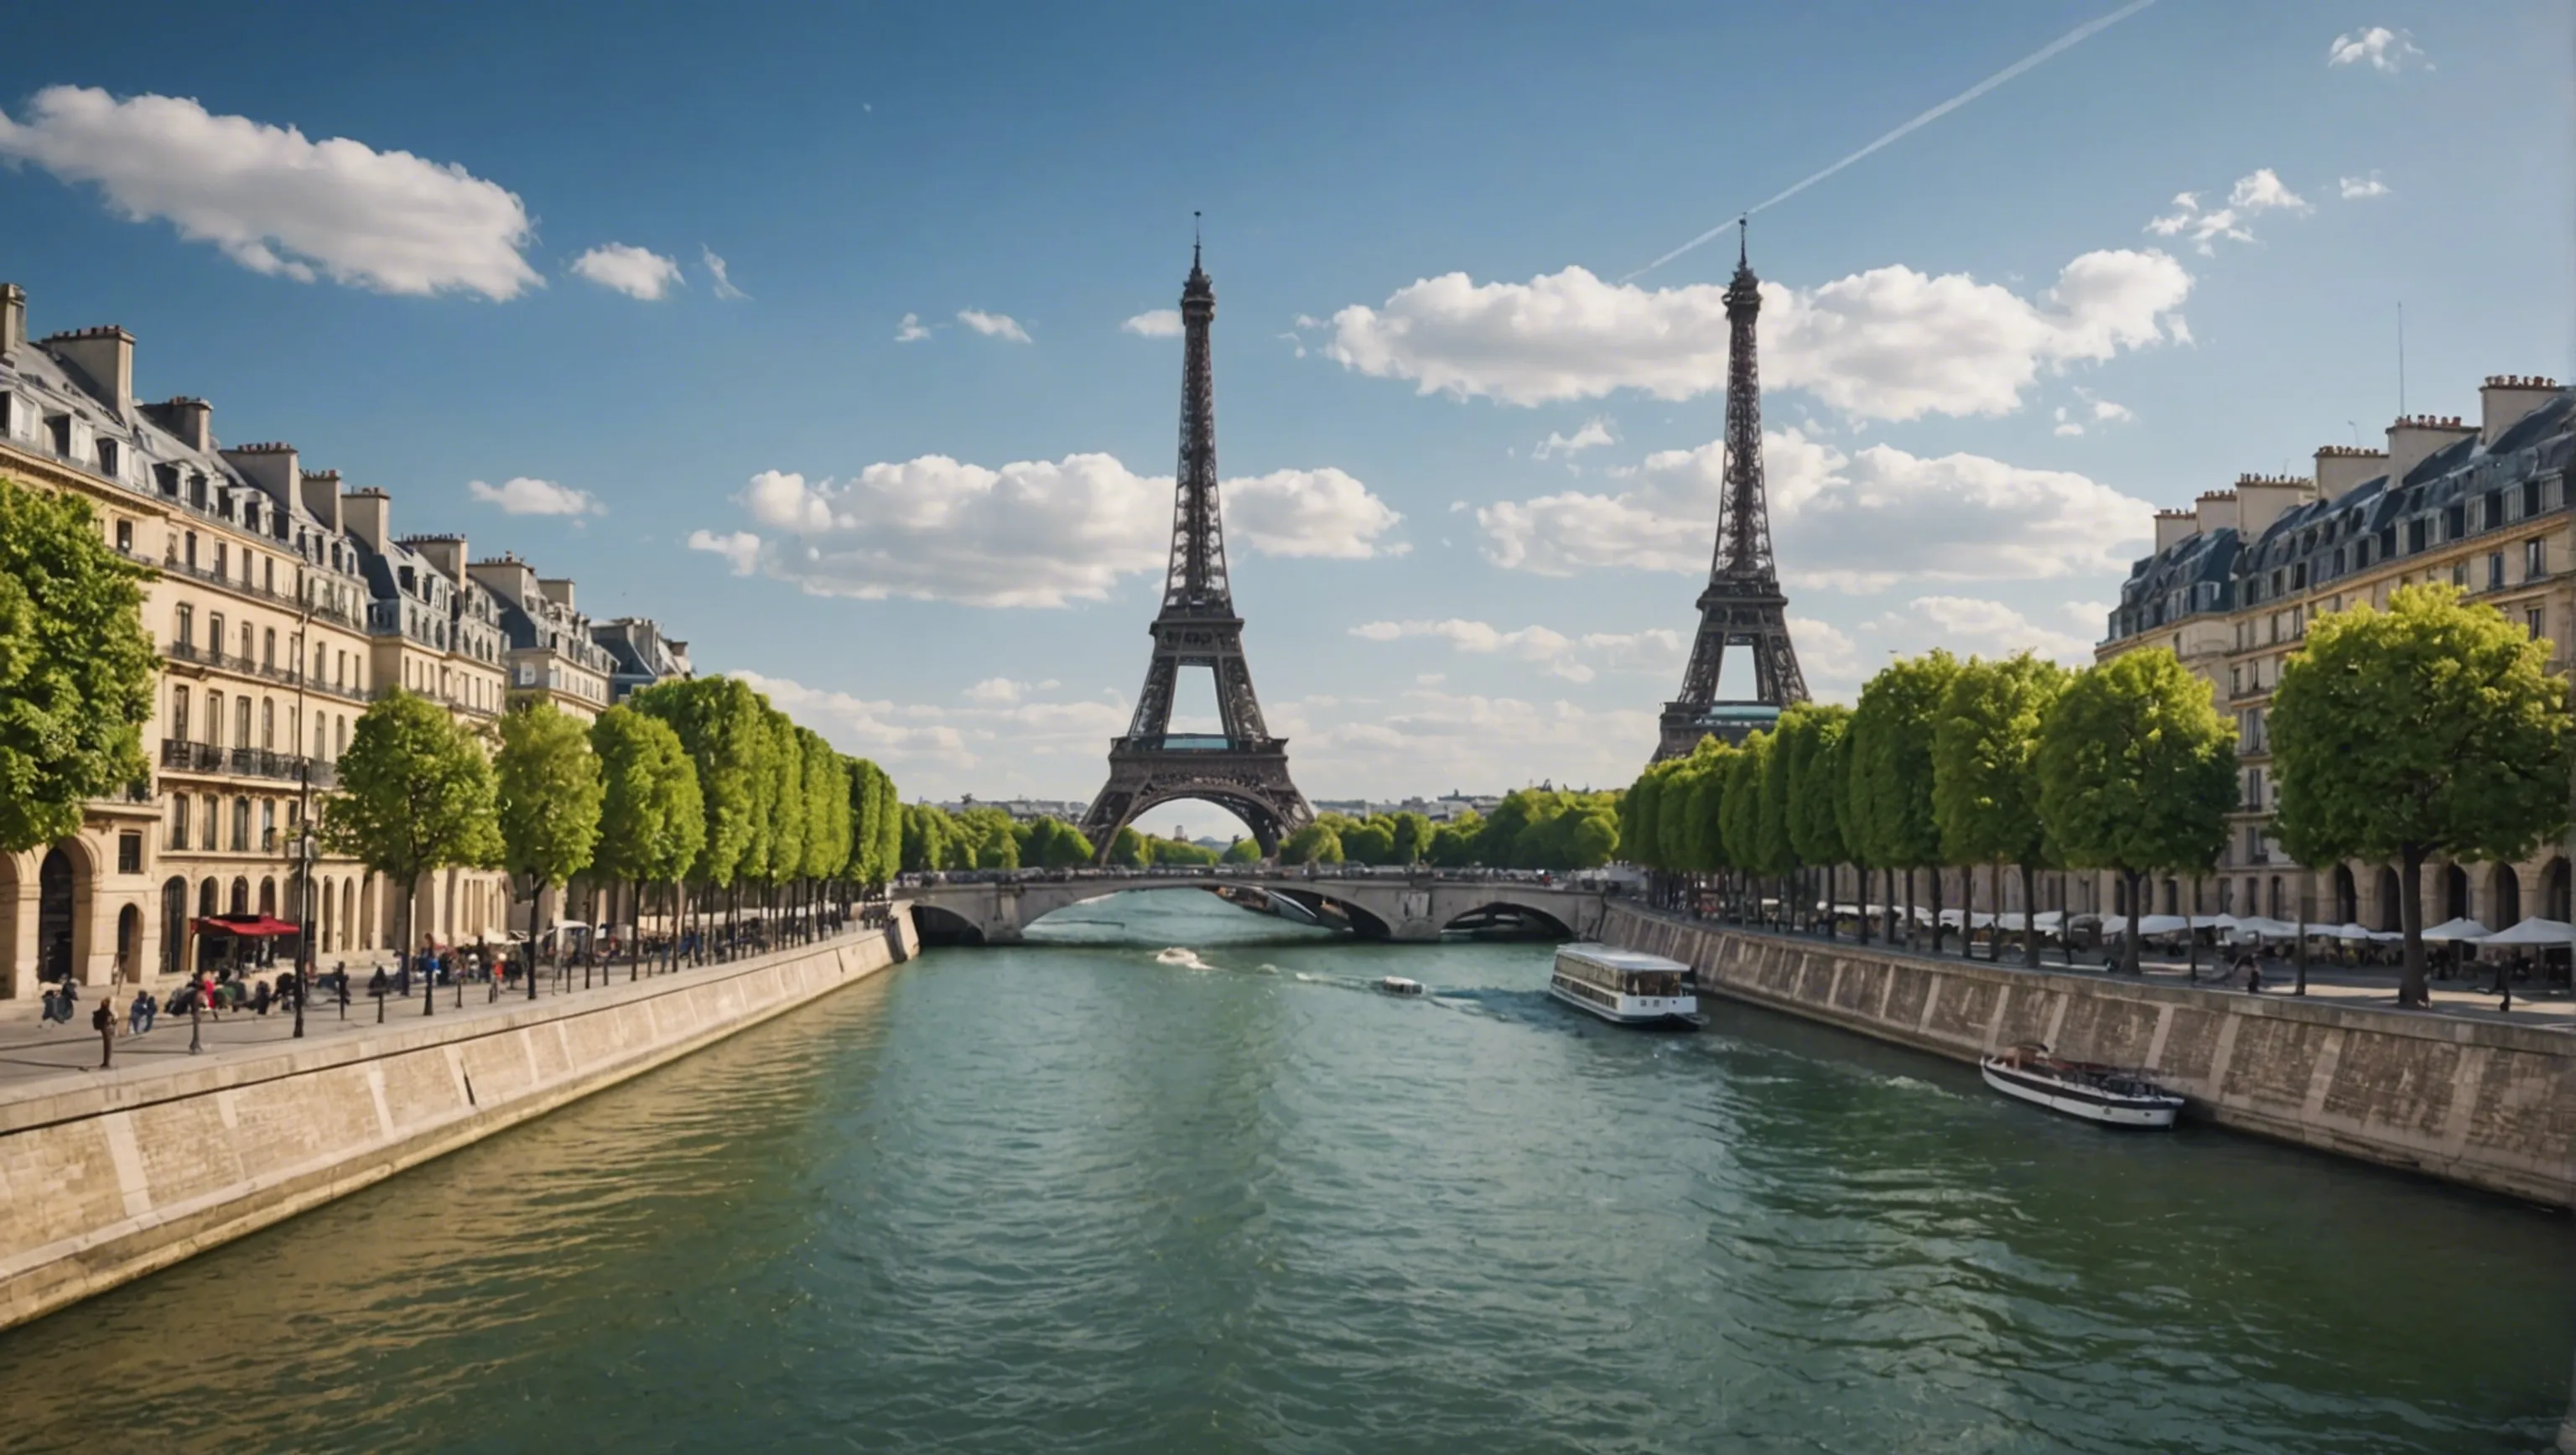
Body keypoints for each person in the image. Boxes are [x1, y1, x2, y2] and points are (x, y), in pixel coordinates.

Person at [92, 993, 117, 1070]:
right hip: (107, 1028)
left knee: (107, 1045)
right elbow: (111, 1020)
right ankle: (106, 1063)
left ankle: (106, 1062)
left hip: (105, 1028)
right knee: (108, 1046)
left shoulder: (104, 1008)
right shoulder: (109, 1010)